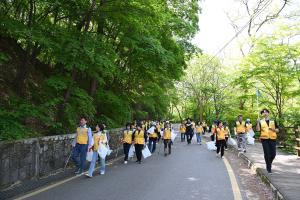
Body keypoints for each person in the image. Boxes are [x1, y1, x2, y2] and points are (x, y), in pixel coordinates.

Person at [256, 109, 279, 173]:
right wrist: (257, 122)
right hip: (264, 139)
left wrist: (273, 129)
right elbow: (258, 130)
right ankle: (268, 167)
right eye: (263, 112)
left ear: (268, 113)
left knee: (273, 154)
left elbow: (278, 130)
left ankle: (269, 163)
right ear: (262, 115)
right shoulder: (260, 121)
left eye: (266, 112)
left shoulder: (273, 121)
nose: (265, 113)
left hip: (272, 139)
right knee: (267, 153)